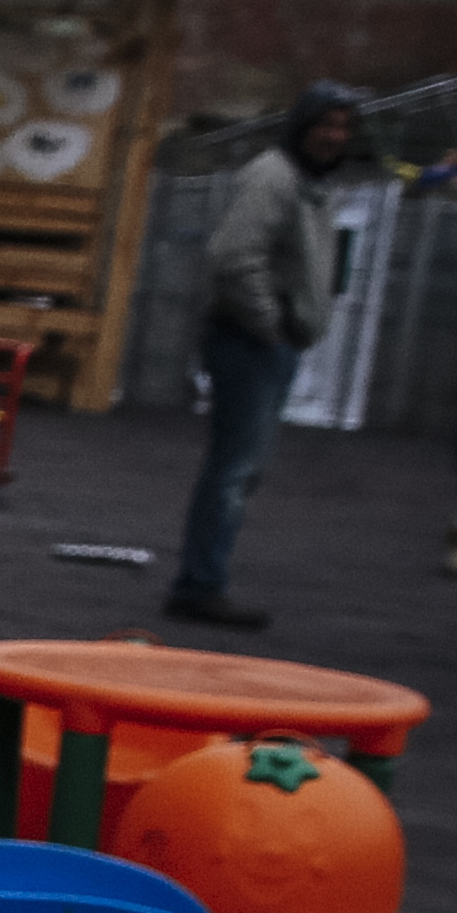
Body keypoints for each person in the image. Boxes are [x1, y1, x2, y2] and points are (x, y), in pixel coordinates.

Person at [165, 85, 363, 630]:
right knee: (233, 469)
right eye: (326, 124)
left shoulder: (309, 185)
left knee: (241, 468)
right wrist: (269, 325)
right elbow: (232, 257)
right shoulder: (275, 177)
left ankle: (203, 580)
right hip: (248, 341)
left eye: (345, 127)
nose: (335, 136)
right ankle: (201, 585)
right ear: (301, 126)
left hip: (266, 341)